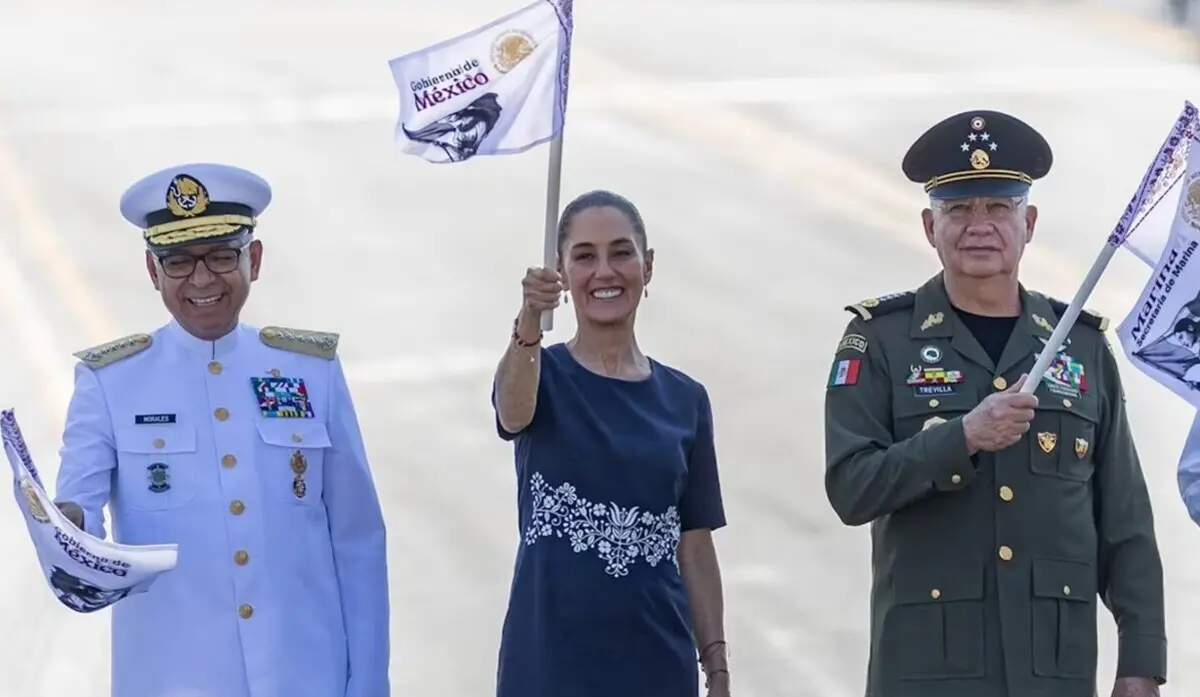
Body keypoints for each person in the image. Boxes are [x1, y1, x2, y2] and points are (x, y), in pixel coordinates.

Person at [823, 111, 1167, 697]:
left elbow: (1125, 521)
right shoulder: (880, 340)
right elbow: (852, 489)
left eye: (998, 208)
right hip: (930, 671)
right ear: (930, 227)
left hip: (1052, 672)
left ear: (1028, 222)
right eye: (958, 209)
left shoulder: (1078, 346)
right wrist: (961, 438)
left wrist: (1140, 662)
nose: (978, 226)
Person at [51, 163, 390, 697]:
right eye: (179, 262)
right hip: (173, 680)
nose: (202, 280)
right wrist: (67, 532)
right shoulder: (110, 382)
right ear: (152, 270)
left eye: (222, 256)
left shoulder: (310, 370)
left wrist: (368, 684)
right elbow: (79, 518)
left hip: (304, 676)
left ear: (253, 260)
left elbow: (357, 540)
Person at [490, 190, 730, 697]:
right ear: (561, 271)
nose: (604, 271)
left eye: (621, 252)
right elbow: (512, 414)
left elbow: (695, 544)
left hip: (656, 663)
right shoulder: (541, 374)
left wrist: (718, 667)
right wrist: (529, 319)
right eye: (584, 256)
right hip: (550, 663)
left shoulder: (685, 400)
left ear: (648, 265)